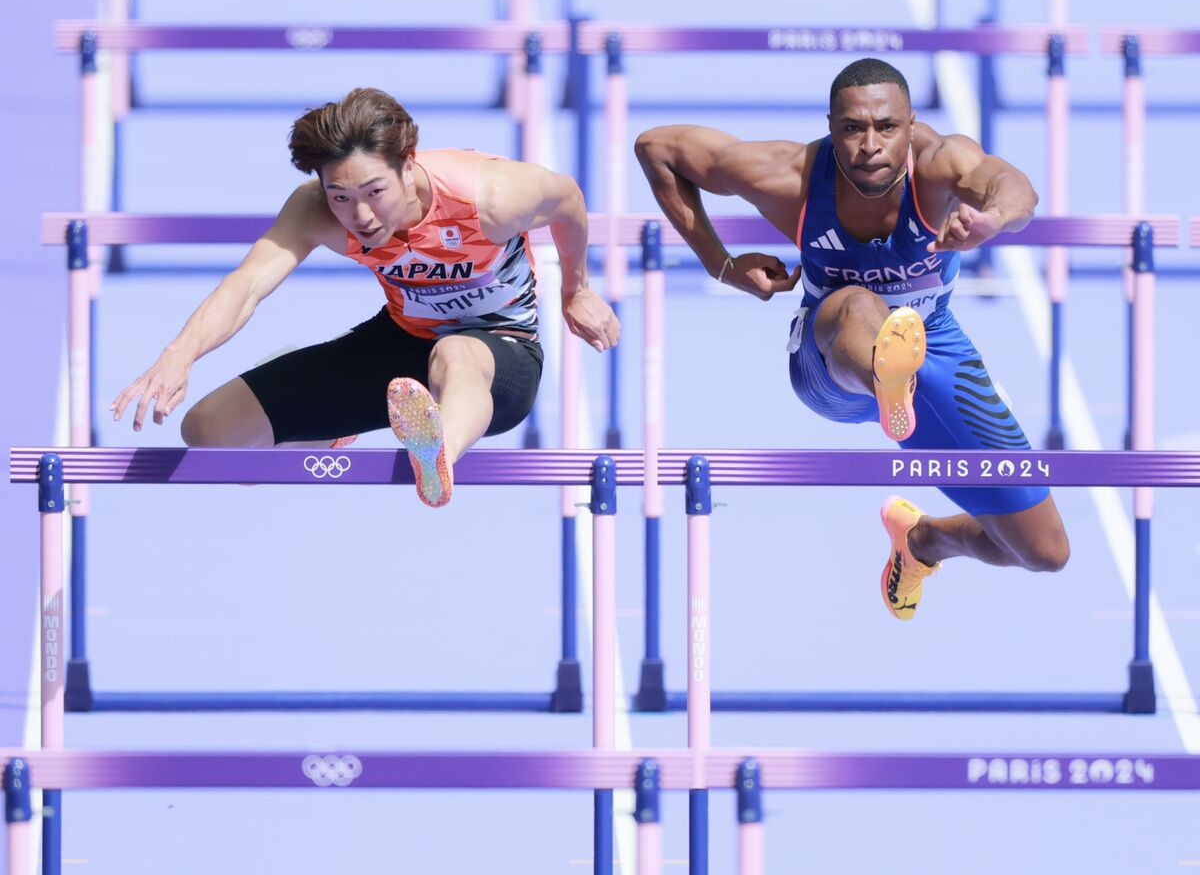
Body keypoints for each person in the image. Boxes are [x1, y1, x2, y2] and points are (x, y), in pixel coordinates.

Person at [634, 57, 1069, 620]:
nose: (869, 144)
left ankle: (923, 542)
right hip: (830, 365)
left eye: (886, 128)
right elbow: (657, 148)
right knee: (859, 305)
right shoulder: (789, 176)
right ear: (831, 126)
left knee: (1042, 551)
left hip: (935, 348)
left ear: (911, 126)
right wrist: (721, 265)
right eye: (852, 129)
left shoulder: (941, 165)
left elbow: (1014, 187)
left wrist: (993, 218)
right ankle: (885, 376)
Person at [110, 87, 620, 507]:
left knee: (456, 352)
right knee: (209, 433)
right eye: (341, 198)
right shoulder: (314, 211)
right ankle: (346, 426)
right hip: (400, 342)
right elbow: (246, 284)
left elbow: (568, 199)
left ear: (407, 166)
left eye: (375, 192)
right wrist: (177, 356)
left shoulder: (492, 196)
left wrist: (575, 289)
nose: (361, 216)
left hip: (499, 354)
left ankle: (439, 453)